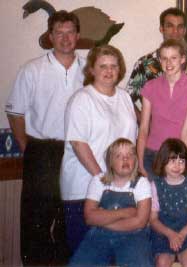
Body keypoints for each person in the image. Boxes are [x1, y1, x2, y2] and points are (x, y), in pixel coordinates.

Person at [5, 10, 84, 265]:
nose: (65, 38)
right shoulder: (32, 70)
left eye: (70, 32)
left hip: (76, 152)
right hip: (42, 150)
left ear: (78, 35)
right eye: (59, 33)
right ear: (50, 37)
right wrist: (29, 148)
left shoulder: (89, 69)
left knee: (68, 217)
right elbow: (15, 113)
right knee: (36, 222)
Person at [60, 45, 138, 252]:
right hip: (84, 188)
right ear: (91, 70)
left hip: (120, 188)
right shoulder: (81, 99)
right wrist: (104, 181)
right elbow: (79, 144)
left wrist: (123, 183)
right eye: (103, 66)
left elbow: (132, 142)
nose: (109, 71)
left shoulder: (124, 97)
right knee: (86, 254)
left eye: (114, 66)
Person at [69, 138, 152, 267]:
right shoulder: (98, 181)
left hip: (133, 236)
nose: (125, 159)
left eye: (130, 155)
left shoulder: (142, 183)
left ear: (135, 160)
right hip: (99, 236)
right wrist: (126, 212)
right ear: (110, 161)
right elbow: (90, 218)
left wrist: (104, 220)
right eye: (119, 156)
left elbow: (140, 222)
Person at [137, 39, 187, 179]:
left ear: (182, 59)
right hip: (153, 155)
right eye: (164, 58)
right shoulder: (150, 87)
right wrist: (140, 161)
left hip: (181, 155)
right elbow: (143, 128)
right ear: (159, 60)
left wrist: (180, 161)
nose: (169, 63)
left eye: (174, 58)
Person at [127, 7, 187, 116]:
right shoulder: (144, 64)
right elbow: (126, 99)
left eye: (180, 27)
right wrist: (144, 122)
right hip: (156, 130)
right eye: (170, 26)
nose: (175, 31)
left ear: (184, 30)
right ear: (161, 28)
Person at [150, 138, 187, 267]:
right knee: (162, 262)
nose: (177, 166)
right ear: (163, 161)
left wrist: (182, 234)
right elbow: (153, 219)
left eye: (181, 161)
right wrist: (170, 234)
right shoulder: (156, 184)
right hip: (164, 234)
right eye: (173, 161)